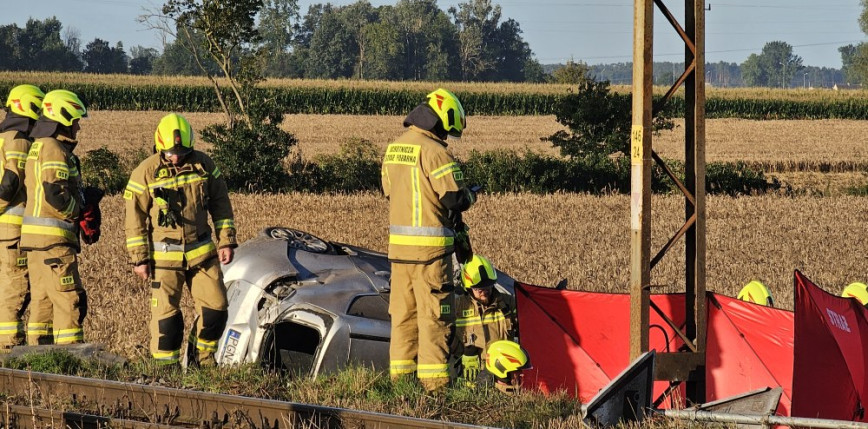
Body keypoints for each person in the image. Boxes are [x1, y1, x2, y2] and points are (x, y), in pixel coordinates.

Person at [381, 88, 477, 392]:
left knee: (403, 320)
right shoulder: (435, 151)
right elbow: (454, 199)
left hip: (399, 253)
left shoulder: (394, 148)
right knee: (435, 319)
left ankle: (401, 387)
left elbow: (389, 191)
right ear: (442, 119)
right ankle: (434, 390)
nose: (448, 135)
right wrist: (471, 195)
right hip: (430, 255)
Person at [125, 113, 237, 367]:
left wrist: (226, 241)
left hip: (202, 253)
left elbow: (221, 203)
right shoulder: (145, 172)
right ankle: (166, 372)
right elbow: (134, 219)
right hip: (164, 258)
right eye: (171, 152)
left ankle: (202, 363)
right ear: (160, 146)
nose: (176, 157)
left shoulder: (204, 165)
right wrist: (140, 259)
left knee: (216, 310)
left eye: (182, 151)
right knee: (168, 323)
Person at [19, 89, 93, 345]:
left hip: (36, 243)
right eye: (75, 121)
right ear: (63, 119)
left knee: (43, 304)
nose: (78, 127)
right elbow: (55, 195)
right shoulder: (54, 149)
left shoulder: (39, 145)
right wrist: (79, 212)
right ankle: (70, 356)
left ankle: (38, 356)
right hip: (54, 242)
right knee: (69, 299)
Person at [0, 84, 48, 350]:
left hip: (5, 229)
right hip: (14, 228)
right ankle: (8, 346)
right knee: (16, 287)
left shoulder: (3, 136)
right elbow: (10, 184)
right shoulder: (18, 139)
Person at [454, 255, 517, 386]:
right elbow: (443, 336)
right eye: (479, 289)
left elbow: (527, 331)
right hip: (470, 377)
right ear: (468, 288)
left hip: (503, 376)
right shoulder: (457, 307)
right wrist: (463, 352)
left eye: (488, 286)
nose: (485, 291)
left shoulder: (509, 303)